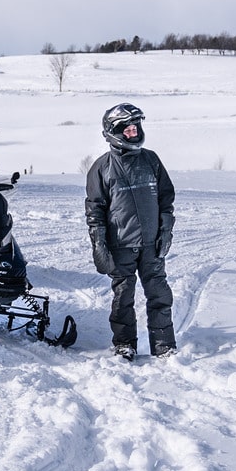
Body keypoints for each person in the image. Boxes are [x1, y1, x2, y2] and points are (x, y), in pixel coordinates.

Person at [84, 102, 176, 360]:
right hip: (120, 245)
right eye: (128, 129)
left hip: (151, 244)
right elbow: (95, 211)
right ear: (115, 131)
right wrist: (99, 244)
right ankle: (124, 344)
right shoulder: (101, 168)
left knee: (159, 295)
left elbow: (166, 198)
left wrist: (165, 229)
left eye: (136, 128)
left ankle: (164, 345)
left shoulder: (151, 160)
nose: (134, 132)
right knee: (123, 298)